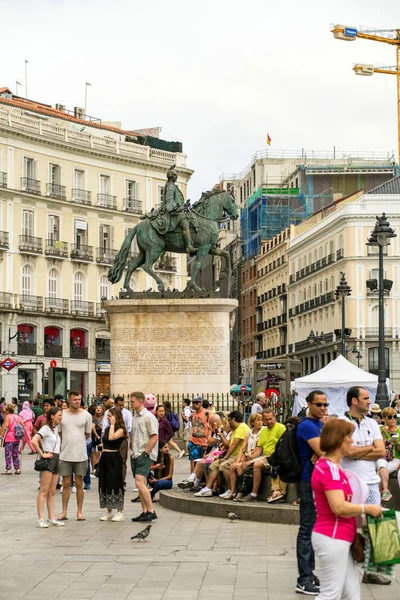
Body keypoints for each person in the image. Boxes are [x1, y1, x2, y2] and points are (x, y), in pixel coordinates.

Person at [311, 418, 382, 600]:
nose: (353, 440)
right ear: (339, 439)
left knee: (351, 594)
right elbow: (339, 507)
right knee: (330, 595)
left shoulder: (333, 466)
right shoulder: (330, 469)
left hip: (339, 536)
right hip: (333, 536)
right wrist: (367, 508)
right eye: (349, 437)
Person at [341, 386, 388, 586]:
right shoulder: (342, 423)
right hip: (351, 482)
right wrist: (368, 449)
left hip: (371, 481)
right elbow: (346, 452)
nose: (369, 402)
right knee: (347, 526)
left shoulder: (372, 422)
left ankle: (372, 570)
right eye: (366, 398)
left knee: (377, 526)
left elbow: (381, 452)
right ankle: (344, 569)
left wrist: (357, 451)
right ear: (354, 401)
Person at [295, 390, 326, 596]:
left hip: (318, 479)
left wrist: (324, 447)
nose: (323, 408)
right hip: (308, 481)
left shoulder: (321, 425)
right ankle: (304, 578)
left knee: (313, 528)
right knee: (307, 528)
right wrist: (322, 448)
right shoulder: (307, 425)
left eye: (325, 405)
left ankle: (310, 574)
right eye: (319, 405)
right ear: (308, 404)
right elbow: (326, 450)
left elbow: (331, 444)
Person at [194, 411, 250, 499]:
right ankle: (208, 488)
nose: (229, 422)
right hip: (233, 455)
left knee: (225, 465)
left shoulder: (242, 427)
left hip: (239, 455)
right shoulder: (235, 430)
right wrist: (221, 435)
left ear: (233, 419)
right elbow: (228, 445)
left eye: (229, 420)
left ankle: (230, 489)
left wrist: (226, 457)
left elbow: (234, 445)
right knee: (214, 465)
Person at [57, 390, 92, 521]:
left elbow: (87, 434)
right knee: (66, 483)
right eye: (74, 399)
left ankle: (79, 511)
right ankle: (64, 511)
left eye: (79, 399)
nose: (77, 402)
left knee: (79, 483)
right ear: (69, 400)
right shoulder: (62, 415)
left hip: (81, 455)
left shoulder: (87, 415)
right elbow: (60, 433)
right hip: (65, 454)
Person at [239, 411, 287, 503]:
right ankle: (241, 491)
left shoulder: (281, 428)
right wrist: (251, 456)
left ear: (274, 418)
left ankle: (254, 494)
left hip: (274, 455)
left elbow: (283, 445)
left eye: (270, 419)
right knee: (243, 464)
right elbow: (259, 448)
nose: (269, 422)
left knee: (256, 465)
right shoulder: (263, 431)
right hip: (265, 455)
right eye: (266, 420)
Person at [31, 406, 65, 528]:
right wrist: (42, 454)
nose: (61, 417)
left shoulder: (55, 429)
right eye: (59, 415)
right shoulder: (45, 428)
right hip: (49, 459)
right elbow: (34, 440)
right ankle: (40, 518)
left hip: (56, 458)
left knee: (52, 491)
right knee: (44, 491)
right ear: (52, 416)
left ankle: (51, 517)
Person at [130, 391, 159, 523]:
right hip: (135, 453)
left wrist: (146, 452)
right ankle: (145, 511)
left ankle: (151, 511)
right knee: (140, 483)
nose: (131, 403)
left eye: (132, 401)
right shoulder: (135, 418)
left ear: (141, 402)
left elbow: (154, 436)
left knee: (139, 482)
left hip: (144, 454)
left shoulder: (149, 417)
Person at [98, 407, 126, 522]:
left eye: (110, 416)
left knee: (115, 482)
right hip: (105, 457)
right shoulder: (108, 428)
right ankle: (108, 510)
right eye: (108, 416)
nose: (108, 418)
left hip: (115, 458)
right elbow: (104, 440)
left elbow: (111, 437)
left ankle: (119, 511)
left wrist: (113, 424)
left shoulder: (120, 430)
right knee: (105, 482)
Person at [229, 412, 263, 501]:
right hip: (247, 456)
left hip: (255, 456)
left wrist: (250, 456)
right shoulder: (249, 433)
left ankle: (242, 491)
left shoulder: (263, 432)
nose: (260, 422)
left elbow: (260, 447)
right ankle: (234, 491)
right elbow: (243, 448)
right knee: (234, 466)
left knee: (240, 467)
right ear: (252, 423)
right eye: (257, 420)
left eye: (261, 420)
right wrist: (238, 460)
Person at [102, 396, 132, 483]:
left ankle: (121, 481)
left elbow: (129, 428)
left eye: (123, 405)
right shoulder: (109, 412)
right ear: (115, 404)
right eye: (119, 405)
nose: (121, 407)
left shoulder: (127, 413)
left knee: (122, 462)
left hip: (121, 440)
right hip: (110, 441)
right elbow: (104, 427)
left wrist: (128, 441)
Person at [377, 406, 400, 502]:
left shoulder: (399, 430)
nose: (393, 419)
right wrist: (387, 441)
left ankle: (379, 499)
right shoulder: (380, 429)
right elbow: (379, 447)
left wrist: (397, 443)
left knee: (379, 474)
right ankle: (385, 492)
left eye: (394, 416)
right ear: (384, 419)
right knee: (381, 464)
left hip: (395, 458)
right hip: (383, 457)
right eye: (390, 417)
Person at [0, 404, 24, 474]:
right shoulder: (17, 416)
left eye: (5, 411)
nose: (4, 412)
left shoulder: (7, 416)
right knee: (15, 454)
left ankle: (8, 469)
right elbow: (23, 425)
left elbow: (6, 426)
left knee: (8, 454)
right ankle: (17, 468)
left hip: (9, 438)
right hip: (17, 437)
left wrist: (1, 434)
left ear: (8, 411)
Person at [188, 397, 209, 471]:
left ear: (201, 403)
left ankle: (200, 479)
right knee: (193, 461)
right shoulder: (193, 414)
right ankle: (192, 479)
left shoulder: (207, 413)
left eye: (196, 402)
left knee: (203, 463)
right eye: (193, 403)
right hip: (193, 441)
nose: (194, 404)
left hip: (204, 442)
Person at [92, 405, 104, 472]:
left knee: (103, 452)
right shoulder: (94, 418)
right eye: (97, 408)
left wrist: (99, 425)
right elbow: (92, 427)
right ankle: (96, 468)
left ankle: (102, 468)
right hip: (97, 437)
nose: (98, 409)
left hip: (102, 435)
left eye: (100, 408)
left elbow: (104, 427)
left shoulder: (104, 418)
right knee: (97, 453)